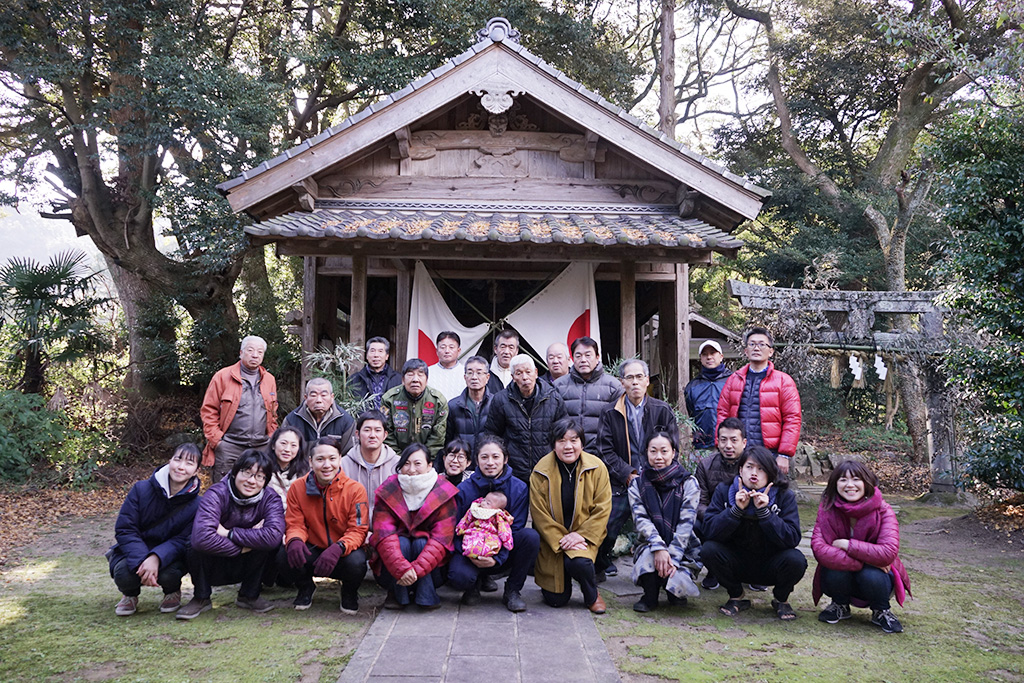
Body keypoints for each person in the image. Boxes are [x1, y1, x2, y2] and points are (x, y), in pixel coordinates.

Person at [701, 445, 806, 621]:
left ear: (770, 473)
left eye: (761, 469)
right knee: (708, 549)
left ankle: (781, 599)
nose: (754, 473)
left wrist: (765, 513)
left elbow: (792, 538)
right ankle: (736, 595)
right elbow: (709, 530)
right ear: (740, 470)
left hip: (770, 563)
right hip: (735, 562)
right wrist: (735, 511)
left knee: (796, 559)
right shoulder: (724, 490)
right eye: (749, 467)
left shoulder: (784, 495)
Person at [594, 359, 677, 580]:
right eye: (629, 377)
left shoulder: (661, 410)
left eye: (639, 377)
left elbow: (673, 448)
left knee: (664, 524)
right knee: (606, 524)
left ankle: (663, 570)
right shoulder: (610, 412)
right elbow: (604, 450)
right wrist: (628, 474)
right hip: (622, 481)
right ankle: (599, 565)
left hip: (656, 480)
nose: (635, 382)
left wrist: (653, 475)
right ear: (622, 382)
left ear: (647, 380)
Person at [177, 449, 285, 620]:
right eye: (247, 473)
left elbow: (273, 536)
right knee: (192, 542)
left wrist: (229, 533)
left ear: (265, 481)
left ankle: (249, 595)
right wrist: (244, 546)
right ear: (235, 473)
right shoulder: (216, 493)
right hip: (215, 559)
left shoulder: (270, 498)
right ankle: (201, 597)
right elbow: (202, 538)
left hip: (248, 562)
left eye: (259, 477)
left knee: (266, 544)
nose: (252, 481)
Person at [811, 460, 911, 633]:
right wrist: (868, 560)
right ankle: (840, 605)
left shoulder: (883, 510)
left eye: (856, 479)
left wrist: (847, 545)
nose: (850, 485)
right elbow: (820, 550)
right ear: (835, 484)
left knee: (871, 575)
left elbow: (888, 553)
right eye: (843, 479)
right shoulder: (827, 510)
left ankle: (881, 610)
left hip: (876, 579)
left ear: (867, 483)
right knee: (835, 570)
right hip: (843, 574)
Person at [448, 435, 540, 613]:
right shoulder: (464, 489)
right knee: (459, 577)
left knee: (530, 537)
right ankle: (473, 585)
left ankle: (513, 590)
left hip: (502, 552)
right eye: (484, 457)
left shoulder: (519, 488)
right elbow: (455, 529)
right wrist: (471, 554)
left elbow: (515, 529)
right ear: (477, 460)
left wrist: (497, 558)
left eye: (495, 457)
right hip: (471, 550)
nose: (490, 462)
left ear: (505, 459)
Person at [108, 443, 202, 616]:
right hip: (136, 550)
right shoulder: (141, 489)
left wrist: (157, 557)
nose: (181, 467)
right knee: (124, 575)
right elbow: (125, 529)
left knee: (169, 575)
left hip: (169, 556)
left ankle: (172, 591)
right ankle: (129, 595)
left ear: (196, 471)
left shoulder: (197, 504)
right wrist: (143, 560)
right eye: (178, 459)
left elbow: (183, 539)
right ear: (170, 461)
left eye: (189, 463)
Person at [278, 436, 369, 613]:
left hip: (342, 552)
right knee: (285, 553)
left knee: (357, 562)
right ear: (311, 462)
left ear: (340, 459)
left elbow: (358, 530)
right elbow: (295, 523)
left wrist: (339, 548)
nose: (327, 465)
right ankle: (305, 587)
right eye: (320, 459)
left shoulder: (355, 490)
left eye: (332, 458)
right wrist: (295, 539)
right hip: (313, 549)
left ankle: (349, 592)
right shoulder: (297, 487)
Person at [530, 418, 612, 614]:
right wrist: (562, 540)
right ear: (553, 445)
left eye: (574, 440)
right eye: (561, 441)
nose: (568, 446)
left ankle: (592, 595)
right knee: (556, 600)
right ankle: (559, 581)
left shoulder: (597, 467)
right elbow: (539, 515)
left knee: (579, 562)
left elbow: (603, 508)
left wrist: (580, 535)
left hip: (583, 538)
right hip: (553, 541)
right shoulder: (541, 471)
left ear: (582, 443)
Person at [370, 443, 459, 610]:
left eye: (418, 463)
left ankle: (426, 596)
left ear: (429, 465)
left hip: (432, 570)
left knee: (421, 543)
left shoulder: (443, 491)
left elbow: (441, 539)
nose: (411, 469)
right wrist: (402, 569)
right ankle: (398, 596)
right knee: (401, 542)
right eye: (406, 463)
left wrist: (414, 571)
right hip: (393, 569)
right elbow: (383, 533)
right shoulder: (389, 489)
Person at [628, 430, 702, 612]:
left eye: (664, 451)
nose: (658, 457)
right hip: (650, 544)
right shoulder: (637, 484)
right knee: (649, 557)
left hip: (683, 548)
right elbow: (641, 520)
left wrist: (673, 558)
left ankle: (674, 590)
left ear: (673, 452)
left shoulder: (689, 483)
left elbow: (686, 525)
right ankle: (650, 596)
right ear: (646, 452)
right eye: (653, 451)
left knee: (677, 587)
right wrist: (659, 547)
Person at [716, 327, 802, 476]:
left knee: (772, 489)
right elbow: (722, 413)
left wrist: (784, 454)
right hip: (739, 452)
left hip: (771, 453)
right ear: (746, 351)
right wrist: (721, 444)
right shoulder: (734, 380)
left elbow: (792, 418)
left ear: (771, 351)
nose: (756, 348)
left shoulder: (783, 381)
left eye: (762, 344)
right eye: (752, 344)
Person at [200, 335, 279, 483]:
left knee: (258, 487)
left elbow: (273, 412)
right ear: (241, 353)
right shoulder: (222, 376)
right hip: (229, 445)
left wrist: (271, 437)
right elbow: (209, 410)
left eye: (260, 352)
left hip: (261, 446)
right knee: (223, 489)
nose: (255, 355)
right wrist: (217, 441)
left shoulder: (269, 379)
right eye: (250, 350)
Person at [484, 354, 567, 482]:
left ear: (536, 373)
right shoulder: (501, 400)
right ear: (513, 377)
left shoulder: (553, 398)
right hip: (513, 471)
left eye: (528, 372)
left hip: (547, 468)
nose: (525, 377)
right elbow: (492, 434)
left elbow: (563, 433)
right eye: (519, 373)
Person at [695, 417, 746, 590]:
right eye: (723, 440)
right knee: (695, 524)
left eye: (734, 440)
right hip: (715, 519)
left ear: (744, 442)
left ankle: (755, 571)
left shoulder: (754, 465)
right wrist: (720, 518)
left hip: (746, 520)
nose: (728, 446)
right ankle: (713, 569)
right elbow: (699, 502)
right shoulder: (706, 465)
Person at [554, 336, 624, 452]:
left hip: (602, 453)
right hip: (568, 452)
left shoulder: (613, 386)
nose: (583, 360)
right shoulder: (558, 386)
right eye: (578, 356)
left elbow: (619, 426)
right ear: (572, 358)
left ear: (597, 357)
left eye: (588, 355)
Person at [341, 410, 400, 520]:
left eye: (377, 430)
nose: (372, 435)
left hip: (388, 526)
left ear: (385, 435)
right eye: (367, 430)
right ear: (357, 434)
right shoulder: (343, 465)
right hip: (353, 525)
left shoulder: (397, 465)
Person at [283, 377, 356, 452]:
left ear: (332, 397)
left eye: (323, 395)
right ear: (306, 398)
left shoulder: (346, 422)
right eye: (313, 395)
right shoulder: (291, 421)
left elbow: (349, 454)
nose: (319, 400)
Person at [685, 340, 733, 450]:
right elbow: (692, 414)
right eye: (705, 354)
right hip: (702, 447)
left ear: (721, 357)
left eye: (712, 353)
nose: (709, 357)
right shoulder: (692, 387)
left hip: (729, 445)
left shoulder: (733, 381)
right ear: (700, 358)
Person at [445, 355, 493, 455]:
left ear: (487, 377)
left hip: (487, 460)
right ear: (465, 377)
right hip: (462, 459)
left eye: (479, 373)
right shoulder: (453, 405)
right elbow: (448, 439)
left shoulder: (495, 403)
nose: (474, 377)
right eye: (470, 373)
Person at [455, 492, 514, 560]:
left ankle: (485, 554)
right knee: (469, 538)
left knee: (492, 543)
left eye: (488, 503)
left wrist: (507, 543)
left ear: (497, 508)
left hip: (491, 534)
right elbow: (466, 519)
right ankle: (470, 551)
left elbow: (504, 530)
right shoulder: (475, 509)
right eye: (484, 500)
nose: (483, 503)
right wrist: (460, 528)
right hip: (474, 531)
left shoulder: (498, 515)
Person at [348, 337, 402, 411]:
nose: (376, 355)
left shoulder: (399, 379)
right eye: (372, 351)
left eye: (380, 351)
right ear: (367, 355)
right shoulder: (354, 380)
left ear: (387, 356)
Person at [266, 426, 309, 512]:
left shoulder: (305, 472)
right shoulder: (262, 470)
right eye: (283, 443)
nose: (287, 449)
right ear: (273, 445)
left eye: (293, 445)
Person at [427, 331, 466, 402]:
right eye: (443, 347)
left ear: (458, 351)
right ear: (437, 351)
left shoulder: (466, 372)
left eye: (451, 347)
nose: (447, 351)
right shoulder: (427, 372)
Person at [486, 329, 520, 394]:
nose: (506, 352)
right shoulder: (485, 372)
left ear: (516, 351)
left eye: (511, 347)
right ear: (495, 349)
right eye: (503, 347)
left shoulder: (522, 375)